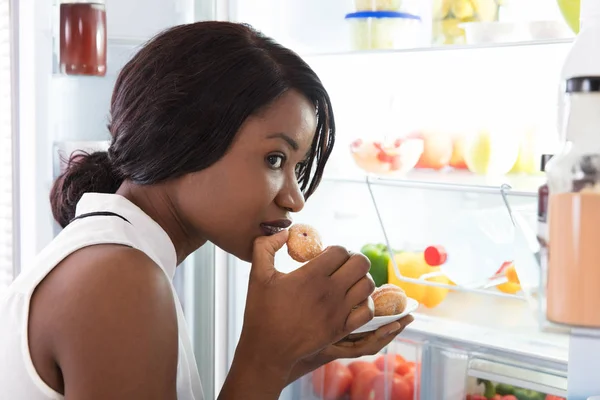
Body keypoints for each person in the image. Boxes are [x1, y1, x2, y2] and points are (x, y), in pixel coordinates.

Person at [0, 21, 413, 400]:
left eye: (298, 168)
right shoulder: (119, 279)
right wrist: (263, 359)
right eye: (274, 159)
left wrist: (289, 358)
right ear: (184, 137)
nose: (295, 199)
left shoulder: (122, 256)